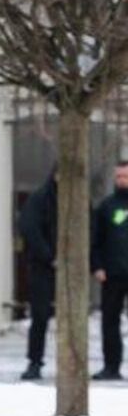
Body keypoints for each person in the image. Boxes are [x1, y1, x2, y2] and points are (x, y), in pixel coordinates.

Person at [18, 172, 57, 381]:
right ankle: (35, 361)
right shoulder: (39, 199)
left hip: (69, 268)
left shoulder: (79, 199)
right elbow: (29, 228)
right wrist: (50, 257)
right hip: (42, 267)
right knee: (40, 317)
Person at [94, 160, 128, 380]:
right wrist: (97, 266)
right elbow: (96, 240)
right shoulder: (106, 207)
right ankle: (111, 366)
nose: (122, 181)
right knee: (109, 321)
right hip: (113, 274)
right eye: (119, 177)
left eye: (125, 176)